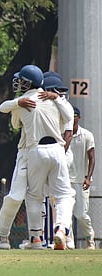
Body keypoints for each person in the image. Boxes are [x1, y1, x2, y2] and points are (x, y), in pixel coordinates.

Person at [0, 70, 72, 249]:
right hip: (57, 150)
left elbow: (10, 118)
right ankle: (60, 230)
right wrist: (56, 98)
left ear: (28, 83)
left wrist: (18, 103)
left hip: (32, 151)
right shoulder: (56, 102)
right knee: (64, 196)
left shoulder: (22, 104)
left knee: (31, 196)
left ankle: (33, 237)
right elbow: (68, 117)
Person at [67, 106, 96, 249]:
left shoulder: (87, 135)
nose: (72, 119)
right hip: (66, 181)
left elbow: (92, 158)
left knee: (81, 214)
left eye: (74, 116)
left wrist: (88, 177)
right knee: (66, 215)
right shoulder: (62, 134)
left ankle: (90, 237)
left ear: (79, 117)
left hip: (81, 180)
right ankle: (69, 242)